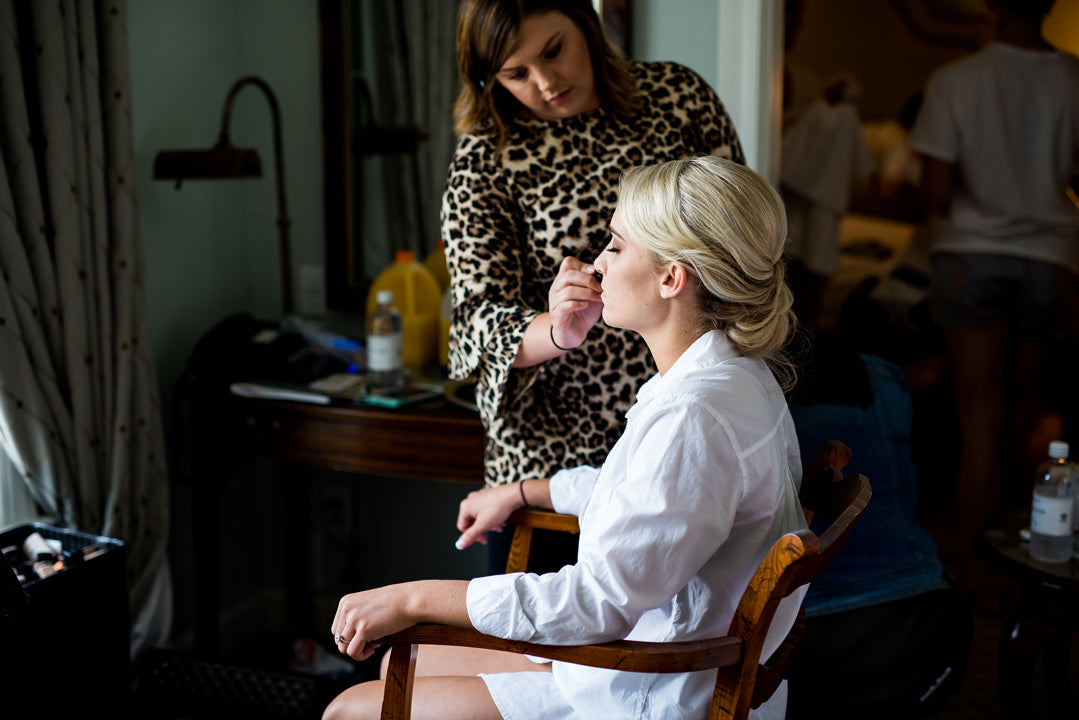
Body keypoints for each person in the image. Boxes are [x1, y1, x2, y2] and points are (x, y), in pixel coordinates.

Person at [322, 155, 806, 720]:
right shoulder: (735, 374)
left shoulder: (693, 415)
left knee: (350, 710)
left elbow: (594, 604)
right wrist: (526, 491)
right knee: (399, 667)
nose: (597, 263)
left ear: (672, 278)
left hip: (642, 689)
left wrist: (413, 597)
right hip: (648, 654)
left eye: (617, 246)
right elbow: (650, 496)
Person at [440, 0, 744, 573]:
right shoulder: (487, 156)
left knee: (677, 637)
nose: (546, 82)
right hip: (549, 463)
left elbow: (739, 237)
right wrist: (555, 331)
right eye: (515, 73)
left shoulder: (678, 98)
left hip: (682, 426)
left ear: (585, 22)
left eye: (553, 51)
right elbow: (478, 319)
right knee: (542, 651)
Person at [906, 0, 1079, 597]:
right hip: (1054, 257)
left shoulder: (957, 80)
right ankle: (1030, 564)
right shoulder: (1074, 77)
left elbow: (934, 193)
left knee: (979, 417)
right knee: (1026, 411)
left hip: (972, 255)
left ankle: (984, 579)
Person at [783, 335, 971, 718]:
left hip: (803, 652)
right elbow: (920, 497)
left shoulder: (736, 390)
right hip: (923, 629)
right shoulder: (880, 374)